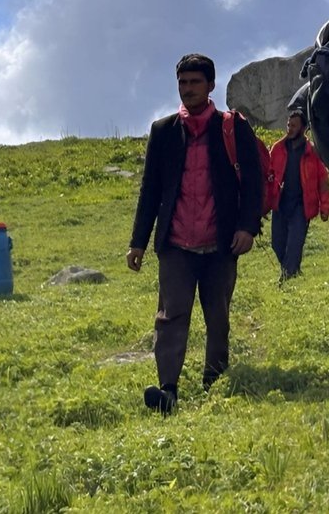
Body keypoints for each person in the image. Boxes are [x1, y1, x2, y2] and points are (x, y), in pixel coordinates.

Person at [127, 53, 263, 414]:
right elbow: (150, 190)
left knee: (217, 316)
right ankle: (168, 391)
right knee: (170, 316)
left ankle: (214, 381)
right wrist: (138, 241)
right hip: (175, 244)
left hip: (220, 244)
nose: (187, 90)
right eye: (182, 83)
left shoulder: (233, 128)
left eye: (195, 82)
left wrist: (248, 228)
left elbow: (253, 183)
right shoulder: (163, 131)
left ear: (211, 85)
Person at [265, 109, 329, 283]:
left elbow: (323, 181)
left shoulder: (312, 153)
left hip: (302, 206)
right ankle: (292, 270)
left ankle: (286, 279)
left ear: (303, 128)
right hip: (280, 203)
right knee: (277, 244)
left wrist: (325, 207)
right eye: (288, 125)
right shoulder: (277, 149)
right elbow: (269, 173)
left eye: (294, 126)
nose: (290, 129)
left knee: (294, 244)